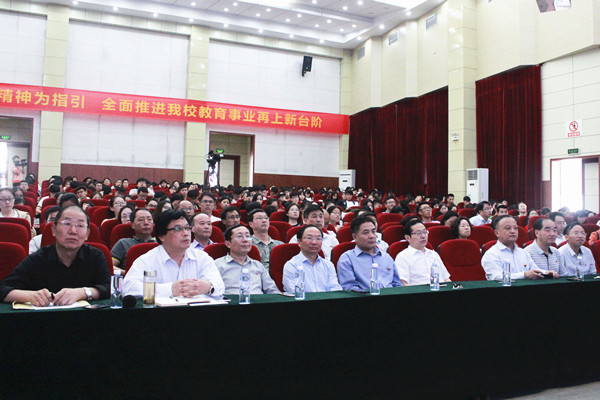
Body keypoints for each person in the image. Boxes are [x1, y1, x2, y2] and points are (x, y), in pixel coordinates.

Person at [0, 205, 110, 306]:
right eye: (67, 224)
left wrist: (84, 292)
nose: (73, 231)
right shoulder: (38, 259)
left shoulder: (95, 256)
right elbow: (3, 289)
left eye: (80, 225)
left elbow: (109, 288)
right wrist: (30, 296)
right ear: (53, 230)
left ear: (87, 234)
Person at [122, 209, 225, 298]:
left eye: (187, 228)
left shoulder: (202, 257)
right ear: (162, 236)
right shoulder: (147, 260)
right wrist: (170, 289)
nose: (186, 233)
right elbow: (128, 288)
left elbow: (219, 286)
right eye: (177, 229)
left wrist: (208, 287)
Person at [337, 216, 402, 291]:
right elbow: (349, 288)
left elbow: (397, 284)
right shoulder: (347, 259)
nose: (371, 236)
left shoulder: (386, 257)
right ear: (355, 237)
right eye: (366, 232)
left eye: (373, 232)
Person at [214, 225, 280, 295]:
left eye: (248, 236)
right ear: (228, 244)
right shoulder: (218, 265)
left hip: (258, 301)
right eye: (239, 236)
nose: (245, 240)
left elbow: (272, 290)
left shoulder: (258, 265)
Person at [481, 215, 547, 280]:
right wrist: (524, 275)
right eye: (508, 228)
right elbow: (496, 276)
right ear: (497, 233)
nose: (513, 231)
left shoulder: (524, 252)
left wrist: (547, 273)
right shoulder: (491, 254)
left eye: (515, 228)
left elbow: (535, 269)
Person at [283, 224, 342, 293]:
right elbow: (294, 292)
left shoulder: (328, 265)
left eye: (318, 238)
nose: (314, 242)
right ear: (299, 242)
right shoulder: (291, 265)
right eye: (309, 238)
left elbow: (335, 288)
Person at [395, 219, 451, 285]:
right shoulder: (403, 257)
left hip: (441, 289)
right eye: (418, 233)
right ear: (408, 238)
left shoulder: (433, 254)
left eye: (425, 232)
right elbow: (404, 284)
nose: (423, 236)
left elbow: (446, 278)